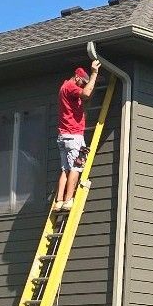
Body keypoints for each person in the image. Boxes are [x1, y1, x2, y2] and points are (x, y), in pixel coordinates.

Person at [54, 60, 101, 211]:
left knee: (65, 169)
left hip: (63, 136)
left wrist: (90, 84)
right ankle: (68, 200)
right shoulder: (70, 87)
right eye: (82, 83)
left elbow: (85, 95)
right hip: (73, 135)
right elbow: (86, 93)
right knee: (76, 166)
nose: (82, 86)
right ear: (77, 77)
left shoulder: (64, 87)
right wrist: (94, 73)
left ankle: (59, 201)